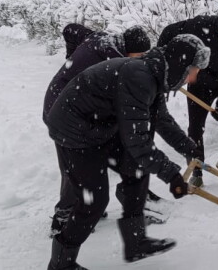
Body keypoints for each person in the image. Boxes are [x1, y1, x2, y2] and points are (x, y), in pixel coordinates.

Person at [45, 34, 210, 270]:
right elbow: (139, 143)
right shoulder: (140, 77)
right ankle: (61, 263)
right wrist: (172, 175)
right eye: (194, 70)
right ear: (181, 66)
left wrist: (189, 149)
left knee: (136, 168)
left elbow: (161, 120)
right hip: (74, 130)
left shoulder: (154, 75)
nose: (194, 77)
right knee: (94, 201)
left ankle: (135, 242)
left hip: (99, 126)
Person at [43, 24, 153, 237]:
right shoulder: (110, 62)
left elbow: (72, 30)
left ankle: (93, 203)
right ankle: (64, 216)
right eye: (139, 55)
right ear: (126, 50)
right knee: (75, 163)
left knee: (99, 155)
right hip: (62, 109)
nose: (141, 60)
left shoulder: (105, 40)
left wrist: (70, 56)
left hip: (81, 106)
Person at [157, 6, 218, 186]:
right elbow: (170, 31)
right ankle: (196, 170)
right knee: (196, 127)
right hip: (201, 79)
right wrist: (162, 59)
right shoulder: (200, 25)